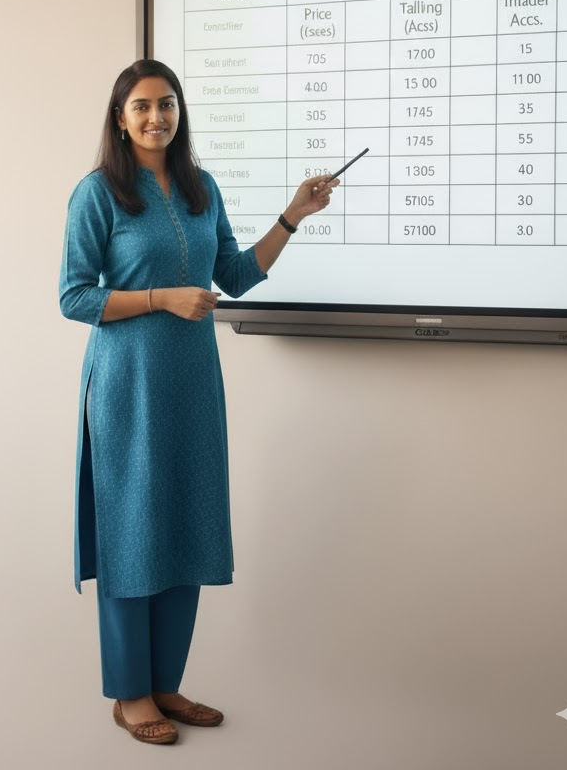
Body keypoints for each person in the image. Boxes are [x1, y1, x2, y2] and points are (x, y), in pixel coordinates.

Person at [58, 58, 337, 745]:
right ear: (121, 121)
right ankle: (130, 695)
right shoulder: (97, 194)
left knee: (182, 522)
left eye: (168, 105)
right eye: (143, 107)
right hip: (126, 385)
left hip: (191, 385)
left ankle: (165, 684)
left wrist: (292, 217)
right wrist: (161, 298)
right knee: (132, 529)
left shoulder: (199, 187)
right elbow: (74, 297)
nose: (158, 117)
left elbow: (236, 275)